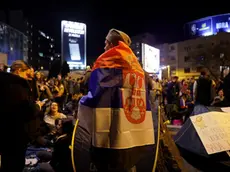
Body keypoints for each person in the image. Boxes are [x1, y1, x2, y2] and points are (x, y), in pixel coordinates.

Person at [76, 29, 155, 172]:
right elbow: (151, 88)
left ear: (112, 44)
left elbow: (86, 85)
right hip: (133, 139)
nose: (104, 47)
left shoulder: (104, 64)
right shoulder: (140, 70)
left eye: (105, 44)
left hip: (107, 139)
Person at [0, 60, 44, 172]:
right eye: (26, 74)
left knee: (6, 162)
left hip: (5, 131)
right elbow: (26, 111)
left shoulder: (4, 83)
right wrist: (37, 107)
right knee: (15, 164)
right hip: (17, 133)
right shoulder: (17, 85)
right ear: (19, 70)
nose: (27, 78)